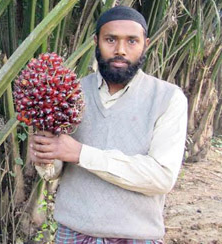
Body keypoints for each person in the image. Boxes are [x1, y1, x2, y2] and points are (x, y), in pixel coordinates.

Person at [30, 6, 188, 243]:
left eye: (132, 41)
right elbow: (55, 171)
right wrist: (46, 157)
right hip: (72, 232)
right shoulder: (70, 91)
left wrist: (81, 153)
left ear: (146, 43)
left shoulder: (167, 98)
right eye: (110, 39)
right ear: (96, 41)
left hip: (136, 236)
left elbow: (161, 177)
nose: (120, 50)